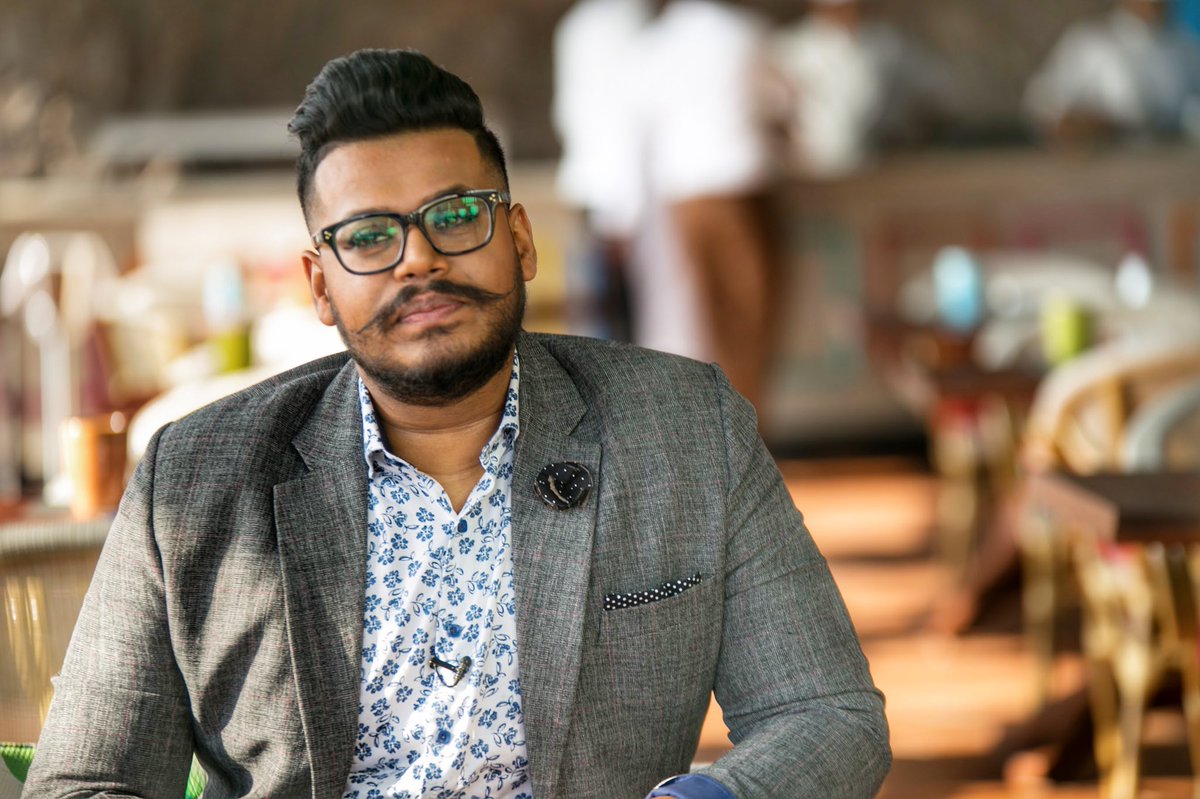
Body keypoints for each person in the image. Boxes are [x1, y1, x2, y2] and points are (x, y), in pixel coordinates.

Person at [24, 49, 890, 799]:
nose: (420, 258)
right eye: (369, 236)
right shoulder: (195, 476)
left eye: (455, 215)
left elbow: (826, 712)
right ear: (320, 284)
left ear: (520, 239)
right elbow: (81, 778)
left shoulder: (685, 430)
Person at [1024, 0, 1200, 143]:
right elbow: (1043, 103)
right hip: (1103, 167)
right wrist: (1086, 124)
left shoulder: (1185, 46)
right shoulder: (1091, 42)